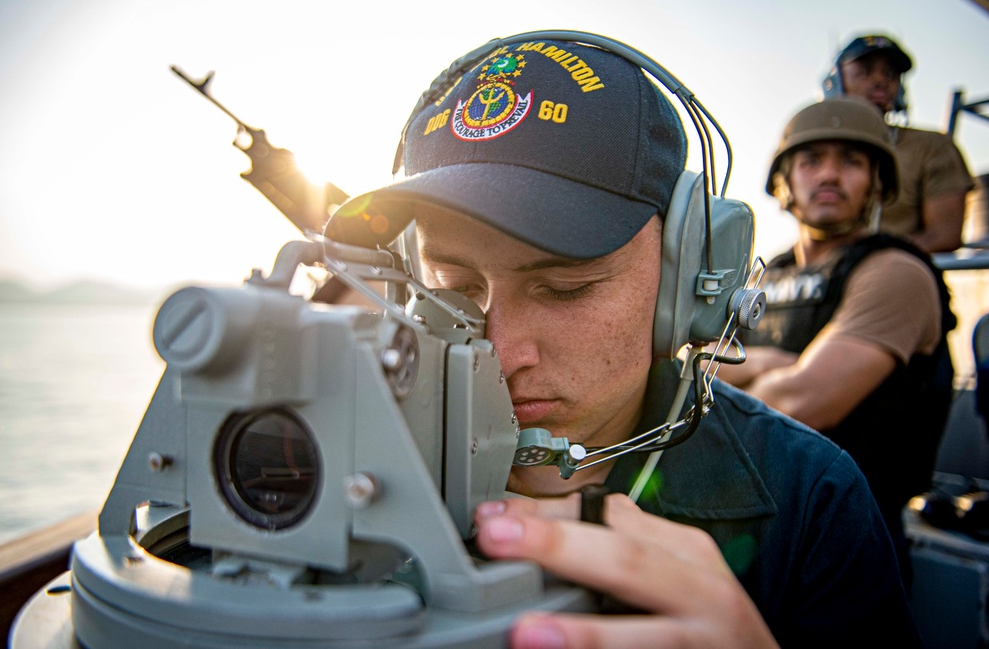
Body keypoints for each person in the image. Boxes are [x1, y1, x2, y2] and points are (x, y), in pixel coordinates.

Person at [325, 34, 921, 646]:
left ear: (685, 281)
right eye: (454, 286)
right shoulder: (312, 453)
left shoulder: (812, 497)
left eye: (565, 288)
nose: (501, 351)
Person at [716, 96, 956, 585]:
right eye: (811, 160)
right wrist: (768, 360)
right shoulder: (765, 275)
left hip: (845, 544)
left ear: (877, 183)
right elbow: (694, 369)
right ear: (786, 181)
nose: (828, 175)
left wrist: (740, 372)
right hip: (743, 522)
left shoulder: (896, 271)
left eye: (850, 161)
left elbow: (799, 402)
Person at [822, 33, 974, 253]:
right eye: (864, 71)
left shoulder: (932, 146)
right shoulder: (815, 144)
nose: (880, 81)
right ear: (835, 81)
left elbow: (945, 235)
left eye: (890, 74)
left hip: (900, 277)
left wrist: (866, 260)